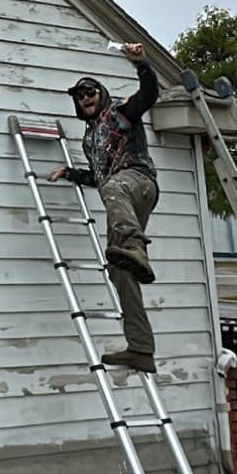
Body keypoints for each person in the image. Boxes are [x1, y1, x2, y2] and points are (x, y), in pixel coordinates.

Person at [49, 43, 160, 373]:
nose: (85, 97)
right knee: (120, 269)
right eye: (79, 96)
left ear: (101, 93)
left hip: (139, 183)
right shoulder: (89, 139)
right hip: (118, 200)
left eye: (90, 91)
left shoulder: (121, 112)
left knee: (115, 189)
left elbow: (150, 95)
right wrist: (70, 173)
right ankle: (141, 348)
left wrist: (142, 64)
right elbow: (100, 177)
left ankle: (136, 244)